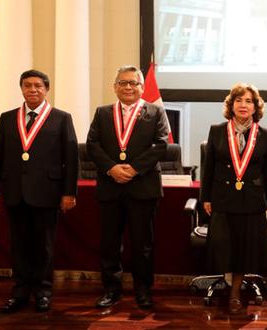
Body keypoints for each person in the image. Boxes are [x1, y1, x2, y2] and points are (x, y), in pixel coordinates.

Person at [0, 69, 78, 313]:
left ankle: (43, 291)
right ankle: (20, 291)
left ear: (46, 89)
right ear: (22, 89)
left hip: (47, 193)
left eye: (38, 85)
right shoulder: (7, 118)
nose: (33, 90)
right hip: (15, 192)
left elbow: (71, 159)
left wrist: (69, 193)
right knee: (18, 245)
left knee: (44, 246)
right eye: (28, 85)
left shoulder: (61, 118)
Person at [87, 65, 169, 310]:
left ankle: (143, 290)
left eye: (133, 83)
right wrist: (112, 168)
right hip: (110, 187)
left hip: (142, 187)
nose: (128, 87)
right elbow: (92, 144)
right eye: (123, 82)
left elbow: (161, 143)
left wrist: (133, 169)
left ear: (142, 87)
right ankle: (111, 290)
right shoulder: (103, 113)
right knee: (110, 243)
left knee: (143, 243)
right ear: (115, 87)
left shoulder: (155, 112)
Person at [201, 83, 267, 314]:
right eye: (239, 100)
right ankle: (228, 282)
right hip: (222, 198)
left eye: (249, 101)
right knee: (224, 245)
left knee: (243, 248)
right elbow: (208, 169)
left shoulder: (265, 135)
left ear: (255, 107)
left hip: (251, 200)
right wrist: (206, 198)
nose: (244, 105)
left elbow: (266, 172)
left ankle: (234, 293)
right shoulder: (216, 130)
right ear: (231, 105)